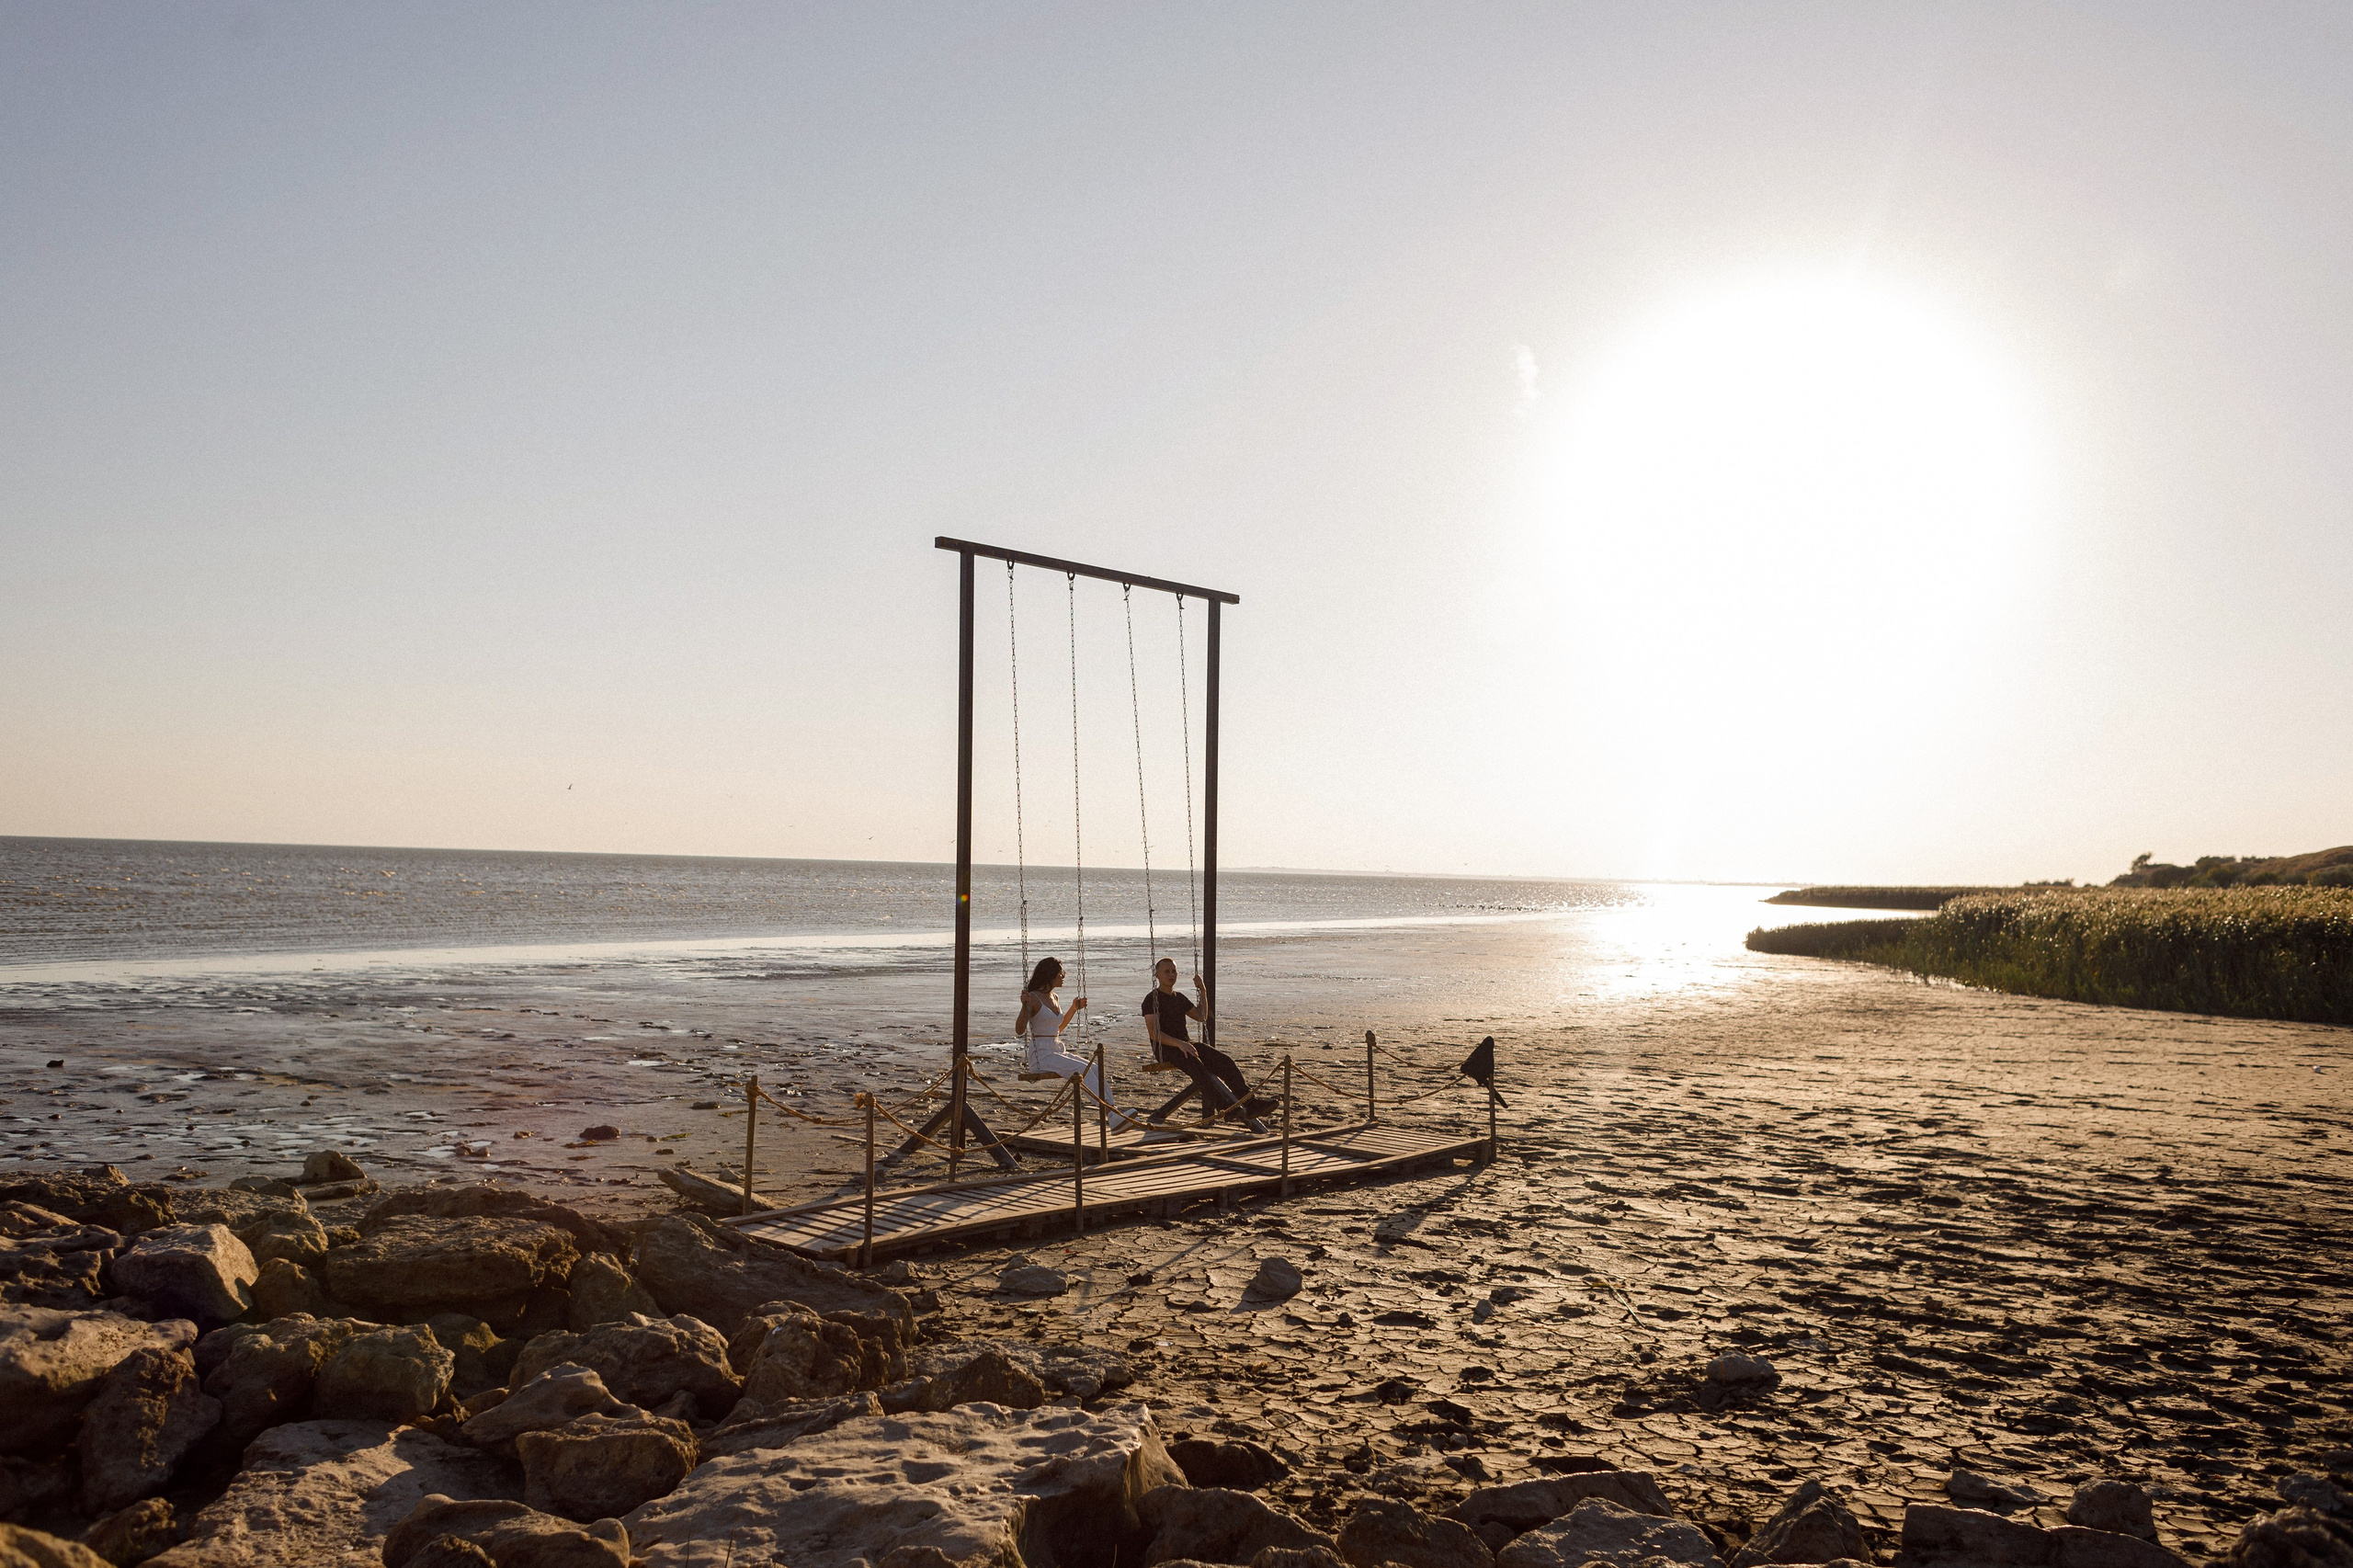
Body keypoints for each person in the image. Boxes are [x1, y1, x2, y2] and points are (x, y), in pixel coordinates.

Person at [1014, 956, 1142, 1128]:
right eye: (1060, 973)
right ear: (1050, 975)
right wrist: (1024, 1005)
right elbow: (1019, 1030)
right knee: (1080, 1070)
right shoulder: (1034, 998)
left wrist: (1074, 1008)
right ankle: (1111, 1114)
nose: (1063, 976)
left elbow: (1057, 1030)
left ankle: (1114, 1112)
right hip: (1041, 1055)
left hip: (1057, 1049)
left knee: (1094, 1068)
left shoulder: (1055, 997)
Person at [1140, 957, 1261, 1119]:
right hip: (1166, 1048)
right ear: (1157, 975)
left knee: (1224, 1061)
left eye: (1174, 971)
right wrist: (1180, 1044)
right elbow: (1154, 1033)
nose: (1171, 975)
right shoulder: (1151, 999)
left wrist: (1202, 991)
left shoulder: (1179, 997)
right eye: (1166, 971)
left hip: (1186, 1045)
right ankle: (1224, 1107)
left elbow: (1201, 1016)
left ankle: (1250, 1103)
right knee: (1197, 1067)